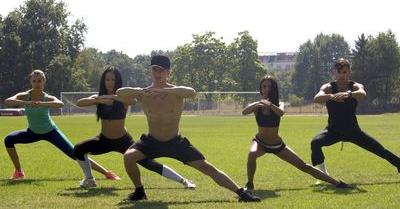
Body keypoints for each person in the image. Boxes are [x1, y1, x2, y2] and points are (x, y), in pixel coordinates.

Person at [116, 55, 260, 202]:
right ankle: (139, 192)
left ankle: (242, 193)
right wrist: (141, 90)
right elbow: (120, 92)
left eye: (161, 70)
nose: (158, 74)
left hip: (175, 142)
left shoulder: (177, 92)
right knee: (128, 156)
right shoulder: (144, 93)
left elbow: (191, 92)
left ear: (168, 73)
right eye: (154, 70)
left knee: (206, 167)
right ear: (151, 72)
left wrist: (165, 91)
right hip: (151, 141)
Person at [73, 67, 196, 189]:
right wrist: (99, 99)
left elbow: (132, 101)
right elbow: (80, 103)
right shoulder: (99, 97)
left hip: (122, 140)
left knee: (149, 163)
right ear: (103, 81)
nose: (110, 83)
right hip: (104, 140)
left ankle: (183, 181)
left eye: (113, 80)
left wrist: (113, 98)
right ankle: (89, 179)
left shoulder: (123, 97)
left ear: (118, 81)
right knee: (79, 149)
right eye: (107, 79)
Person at [3, 69, 118, 181]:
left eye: (39, 81)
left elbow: (60, 103)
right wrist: (26, 102)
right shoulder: (24, 96)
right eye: (34, 81)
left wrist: (42, 103)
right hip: (32, 132)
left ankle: (107, 173)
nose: (37, 84)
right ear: (31, 82)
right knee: (8, 140)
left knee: (75, 154)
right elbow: (8, 101)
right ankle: (19, 172)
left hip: (51, 132)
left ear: (44, 82)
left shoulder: (47, 97)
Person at [242, 75, 351, 191]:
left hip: (277, 145)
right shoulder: (257, 106)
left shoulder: (279, 104)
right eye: (264, 86)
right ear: (261, 89)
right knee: (252, 154)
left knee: (305, 166)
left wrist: (270, 105)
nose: (266, 89)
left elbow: (281, 113)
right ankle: (249, 184)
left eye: (269, 86)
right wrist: (256, 104)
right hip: (260, 142)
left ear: (274, 89)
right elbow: (244, 112)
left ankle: (337, 183)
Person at [311, 58, 400, 179]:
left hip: (353, 131)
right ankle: (324, 175)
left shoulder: (354, 86)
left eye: (345, 72)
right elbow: (317, 98)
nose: (342, 75)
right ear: (334, 73)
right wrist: (331, 96)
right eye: (339, 72)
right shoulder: (328, 87)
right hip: (333, 131)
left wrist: (349, 94)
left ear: (350, 72)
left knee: (380, 150)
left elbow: (363, 94)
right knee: (315, 142)